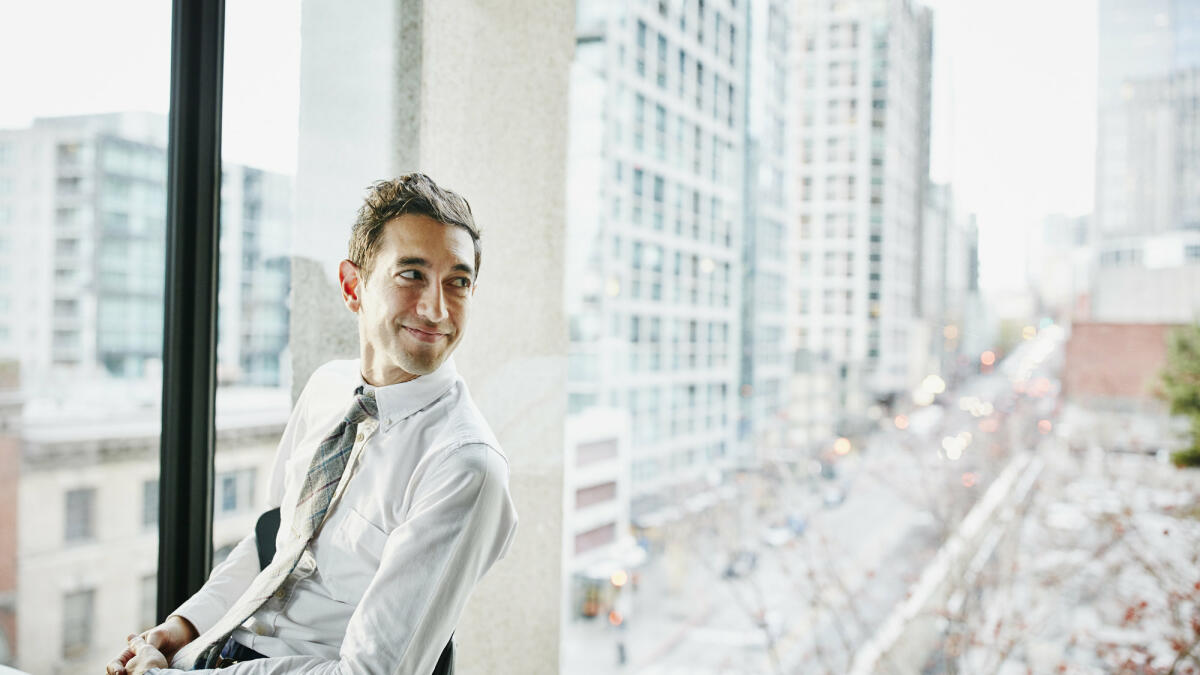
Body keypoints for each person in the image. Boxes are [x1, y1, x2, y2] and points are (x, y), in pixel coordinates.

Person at [107, 173, 518, 674]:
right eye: (411, 274)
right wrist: (181, 630)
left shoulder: (465, 467)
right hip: (215, 648)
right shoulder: (327, 389)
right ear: (352, 287)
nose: (436, 310)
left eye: (458, 282)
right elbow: (276, 547)